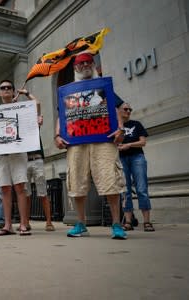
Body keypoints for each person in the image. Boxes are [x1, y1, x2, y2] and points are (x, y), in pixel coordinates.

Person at [54, 52, 127, 239]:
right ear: (75, 68)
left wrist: (120, 129)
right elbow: (60, 115)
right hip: (76, 142)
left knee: (110, 179)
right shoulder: (67, 90)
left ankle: (117, 224)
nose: (85, 65)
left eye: (88, 62)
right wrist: (57, 135)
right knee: (77, 181)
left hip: (103, 140)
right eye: (81, 63)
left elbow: (117, 107)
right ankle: (80, 223)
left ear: (93, 64)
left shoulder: (103, 86)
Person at [0, 80, 32, 236]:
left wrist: (37, 121)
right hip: (0, 155)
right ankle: (8, 225)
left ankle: (23, 224)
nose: (6, 89)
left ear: (14, 92)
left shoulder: (21, 109)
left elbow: (35, 112)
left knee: (20, 188)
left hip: (18, 153)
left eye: (9, 88)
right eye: (3, 88)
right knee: (5, 189)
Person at [118, 103, 154, 232]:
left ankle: (147, 222)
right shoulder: (115, 126)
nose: (128, 111)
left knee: (141, 188)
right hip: (121, 158)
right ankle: (128, 222)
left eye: (130, 109)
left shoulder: (136, 124)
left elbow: (143, 142)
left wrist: (129, 145)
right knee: (125, 191)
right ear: (118, 111)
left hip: (137, 157)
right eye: (125, 109)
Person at [25, 115, 55, 232]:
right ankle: (26, 222)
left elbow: (36, 104)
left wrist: (25, 94)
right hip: (24, 161)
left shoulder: (34, 125)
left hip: (37, 159)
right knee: (26, 194)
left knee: (42, 193)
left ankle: (49, 222)